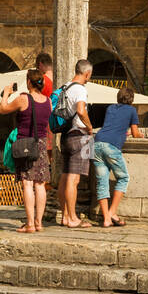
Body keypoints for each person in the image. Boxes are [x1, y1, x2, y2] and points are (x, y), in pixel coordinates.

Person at [0, 69, 51, 233]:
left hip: (25, 145)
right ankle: (39, 223)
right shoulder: (48, 101)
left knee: (27, 184)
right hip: (41, 144)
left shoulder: (23, 98)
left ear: (29, 82)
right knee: (40, 184)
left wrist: (6, 93)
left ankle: (29, 224)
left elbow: (3, 109)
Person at [91, 85, 142, 227]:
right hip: (111, 146)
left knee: (102, 182)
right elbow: (136, 133)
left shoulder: (111, 108)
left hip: (97, 143)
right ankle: (112, 212)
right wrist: (138, 135)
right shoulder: (132, 110)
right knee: (123, 177)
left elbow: (112, 126)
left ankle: (106, 219)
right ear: (131, 99)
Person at [56, 60, 95, 228]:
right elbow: (80, 110)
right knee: (74, 179)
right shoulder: (80, 89)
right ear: (87, 73)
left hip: (65, 135)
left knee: (65, 177)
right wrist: (90, 126)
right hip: (79, 135)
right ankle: (72, 218)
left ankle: (65, 216)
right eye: (90, 75)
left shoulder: (65, 87)